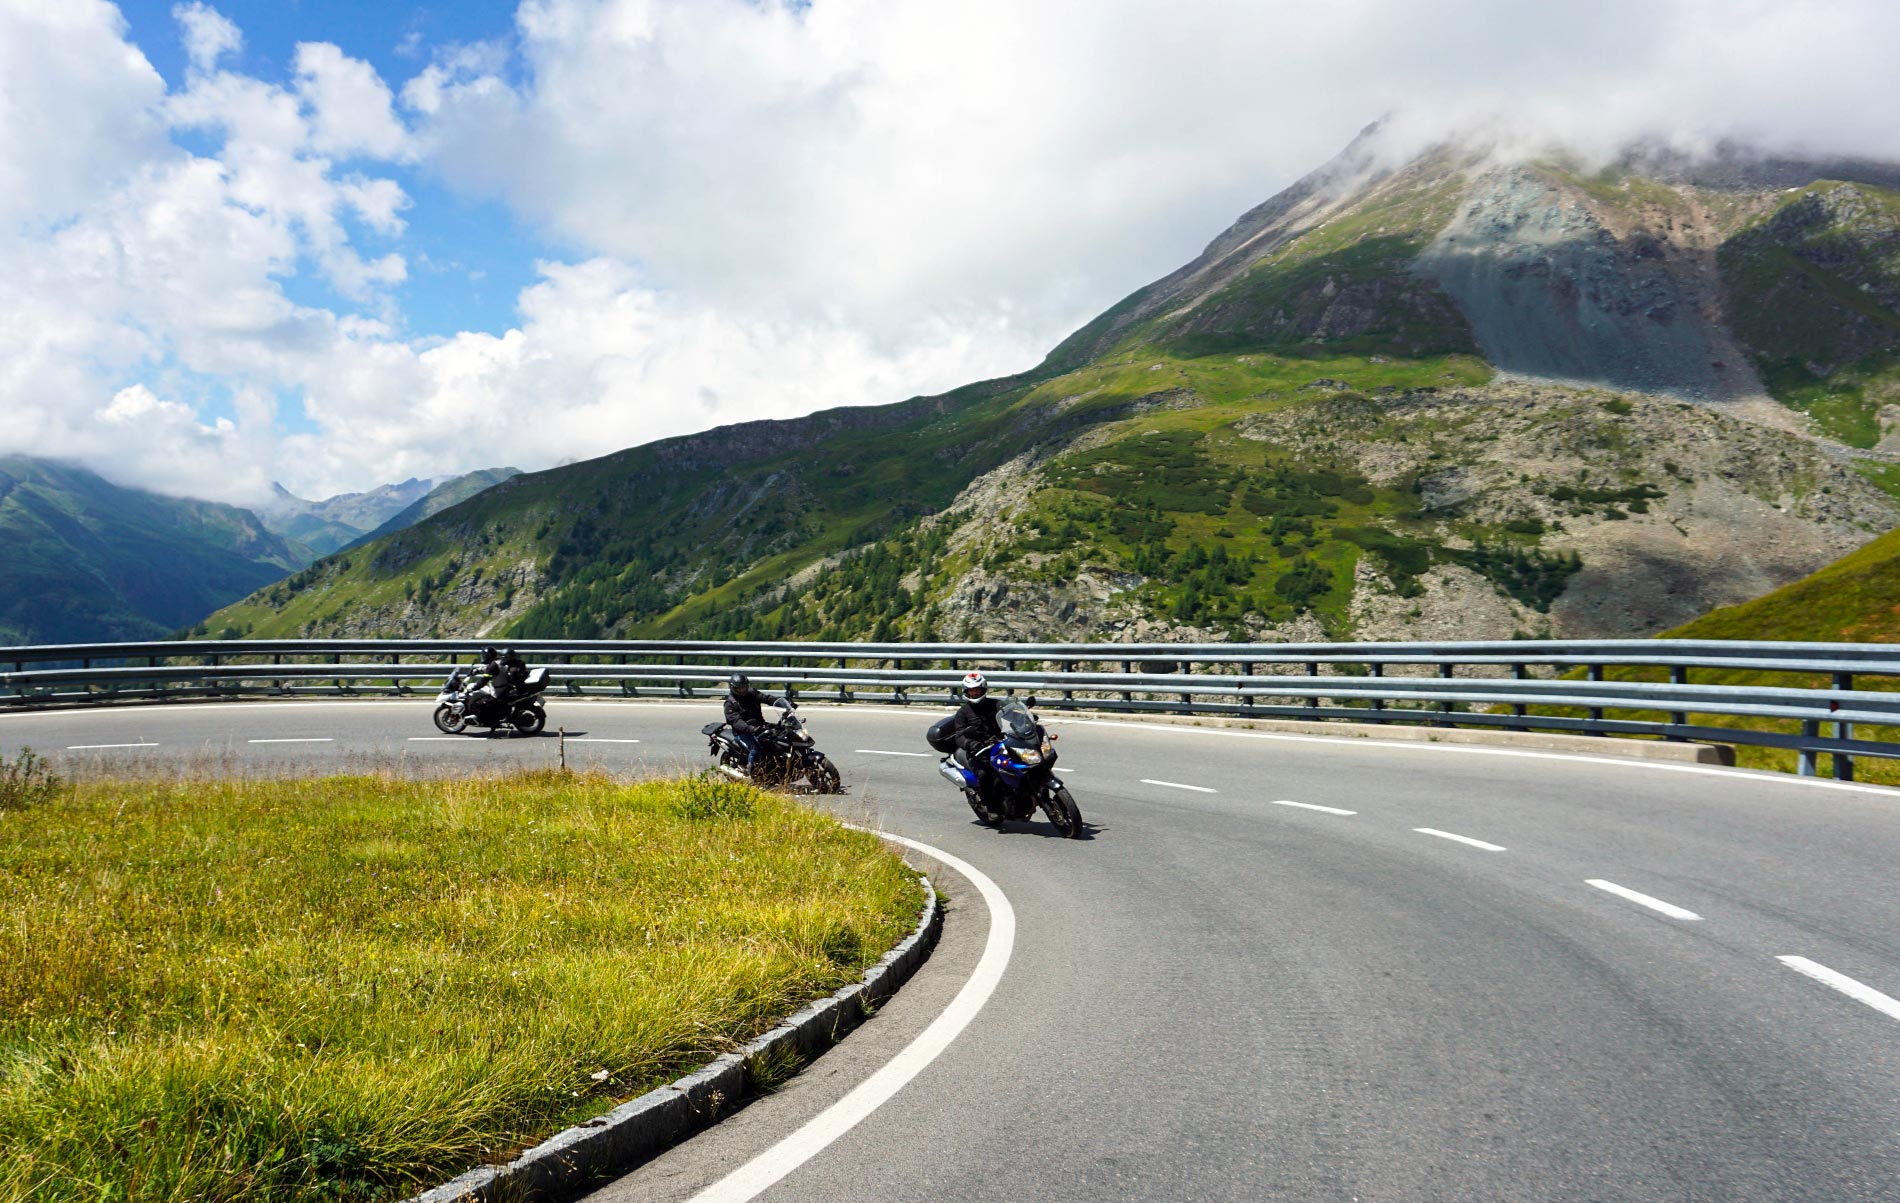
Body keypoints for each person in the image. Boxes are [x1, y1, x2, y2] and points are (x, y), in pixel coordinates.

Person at [943, 670, 1004, 798]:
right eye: (971, 690)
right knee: (983, 774)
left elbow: (1011, 715)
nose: (974, 693)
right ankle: (990, 806)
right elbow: (959, 735)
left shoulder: (996, 704)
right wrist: (973, 744)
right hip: (979, 751)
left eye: (977, 689)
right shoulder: (963, 713)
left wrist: (1023, 719)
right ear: (966, 692)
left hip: (1000, 744)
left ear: (983, 689)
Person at [723, 672, 788, 775]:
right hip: (743, 733)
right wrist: (751, 729)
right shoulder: (730, 704)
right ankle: (752, 773)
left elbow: (767, 698)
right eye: (739, 688)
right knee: (755, 748)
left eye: (744, 687)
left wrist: (785, 704)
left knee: (779, 737)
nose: (742, 690)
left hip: (759, 726)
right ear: (733, 688)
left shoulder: (752, 693)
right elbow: (736, 722)